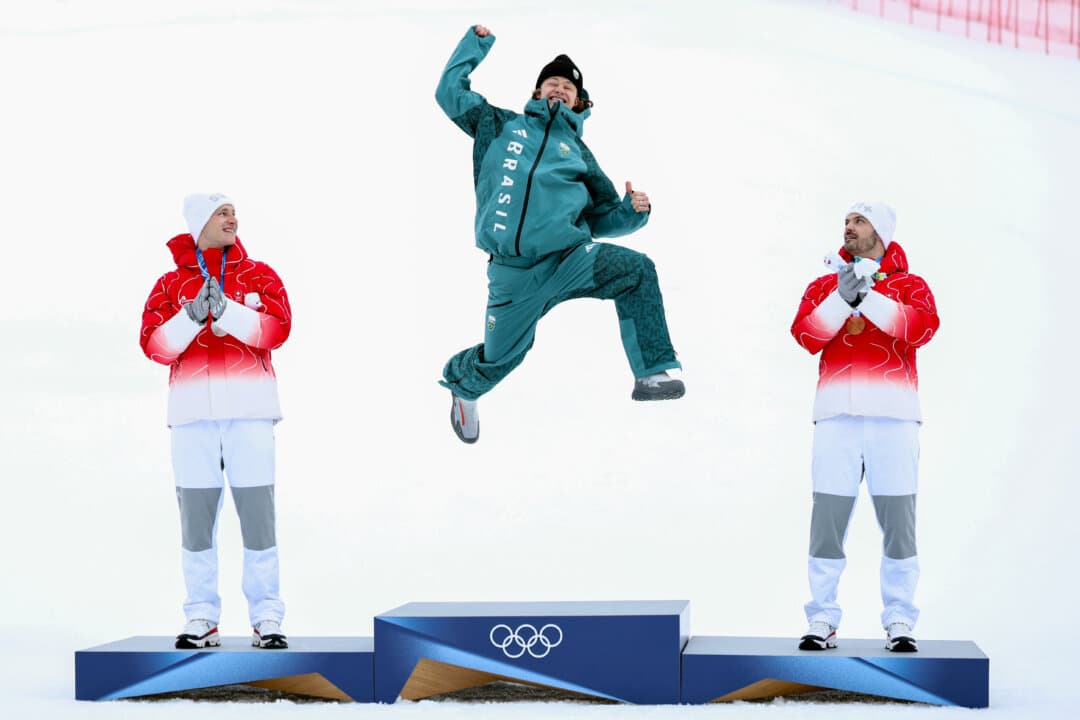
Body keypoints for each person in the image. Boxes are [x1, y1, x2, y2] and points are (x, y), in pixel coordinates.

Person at [435, 24, 684, 444]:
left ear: (579, 102)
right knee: (500, 359)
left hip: (569, 260)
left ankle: (653, 374)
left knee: (638, 270)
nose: (558, 89)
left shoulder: (581, 157)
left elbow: (603, 216)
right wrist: (475, 43)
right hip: (512, 274)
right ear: (536, 93)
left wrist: (633, 212)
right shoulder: (498, 125)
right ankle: (465, 390)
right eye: (551, 82)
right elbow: (449, 92)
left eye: (567, 87)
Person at [140, 193, 291, 649]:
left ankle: (267, 617)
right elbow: (154, 345)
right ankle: (201, 616)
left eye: (233, 211)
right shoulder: (169, 285)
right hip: (192, 417)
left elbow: (278, 329)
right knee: (197, 523)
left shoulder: (259, 275)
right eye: (222, 212)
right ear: (199, 222)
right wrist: (191, 318)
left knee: (258, 519)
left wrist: (231, 311)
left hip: (249, 412)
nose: (232, 217)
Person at [790, 202, 939, 653]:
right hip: (836, 418)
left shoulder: (911, 286)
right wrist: (841, 298)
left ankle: (900, 618)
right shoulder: (824, 285)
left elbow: (920, 329)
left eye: (859, 221)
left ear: (881, 230)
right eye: (846, 222)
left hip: (894, 419)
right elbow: (806, 335)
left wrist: (868, 298)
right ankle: (822, 616)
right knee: (827, 524)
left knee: (899, 524)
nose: (848, 228)